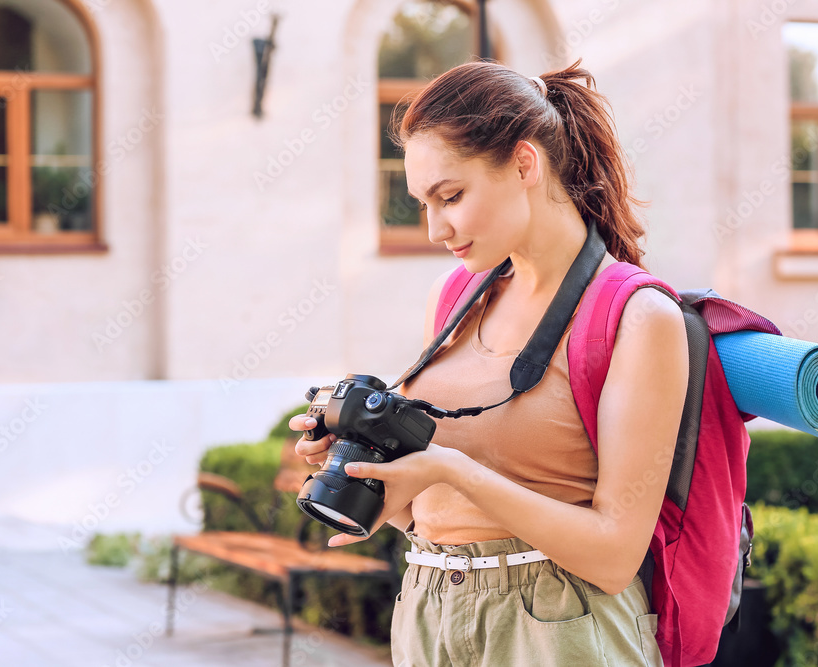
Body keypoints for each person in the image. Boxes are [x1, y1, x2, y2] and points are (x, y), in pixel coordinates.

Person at [289, 60, 689, 666]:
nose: (434, 229)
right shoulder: (453, 298)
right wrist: (362, 474)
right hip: (429, 615)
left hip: (559, 632)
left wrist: (456, 471)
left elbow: (614, 557)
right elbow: (436, 515)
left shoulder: (637, 316)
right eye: (424, 204)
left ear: (525, 165)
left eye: (450, 197)